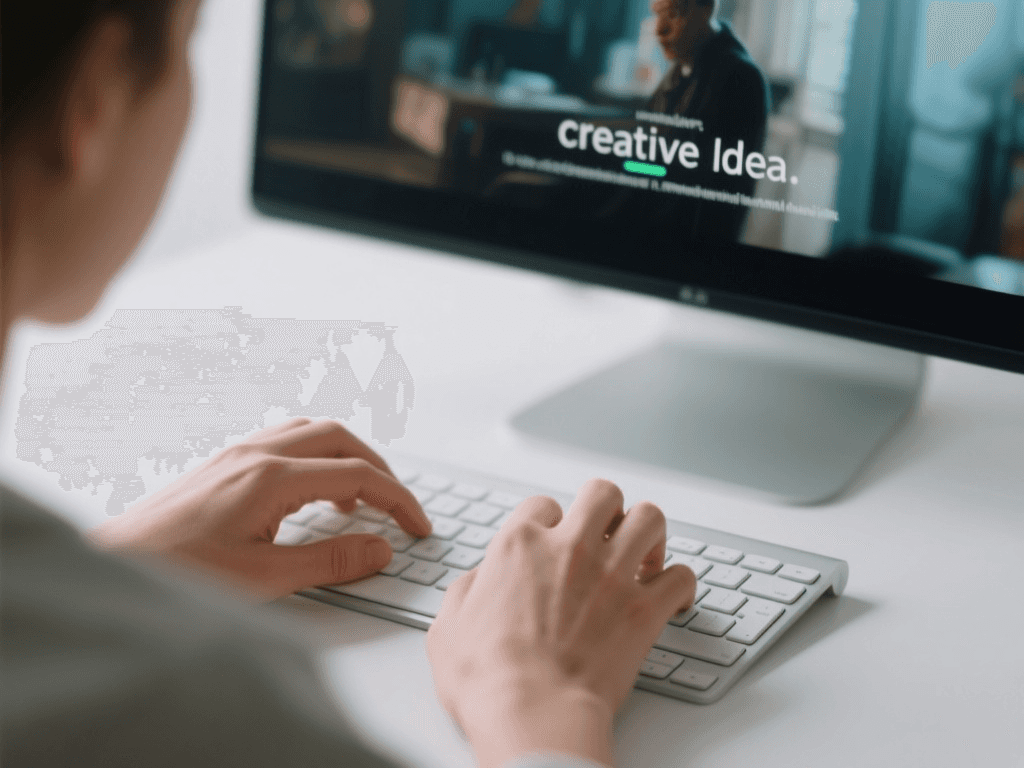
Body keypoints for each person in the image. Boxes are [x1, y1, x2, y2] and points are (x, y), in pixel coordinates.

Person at [0, 3, 697, 767]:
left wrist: (109, 581)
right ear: (91, 105)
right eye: (192, 39)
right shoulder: (179, 701)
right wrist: (532, 703)